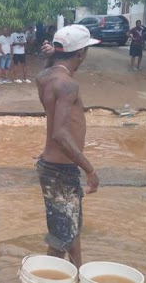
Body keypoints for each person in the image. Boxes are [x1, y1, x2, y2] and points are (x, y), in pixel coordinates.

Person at [35, 24, 100, 268]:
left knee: (71, 229)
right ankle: (47, 276)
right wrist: (90, 169)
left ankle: (78, 274)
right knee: (62, 236)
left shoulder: (44, 77)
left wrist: (49, 60)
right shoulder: (68, 85)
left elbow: (43, 75)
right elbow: (60, 135)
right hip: (61, 170)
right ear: (80, 53)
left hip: (51, 167)